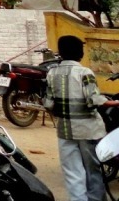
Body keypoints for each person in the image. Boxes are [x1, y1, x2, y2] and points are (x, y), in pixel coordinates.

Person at [45, 35, 119, 201]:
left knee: (72, 172)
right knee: (93, 170)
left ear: (61, 52)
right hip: (89, 131)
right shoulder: (85, 72)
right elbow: (94, 100)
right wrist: (113, 103)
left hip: (65, 131)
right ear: (79, 52)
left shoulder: (52, 73)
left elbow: (48, 104)